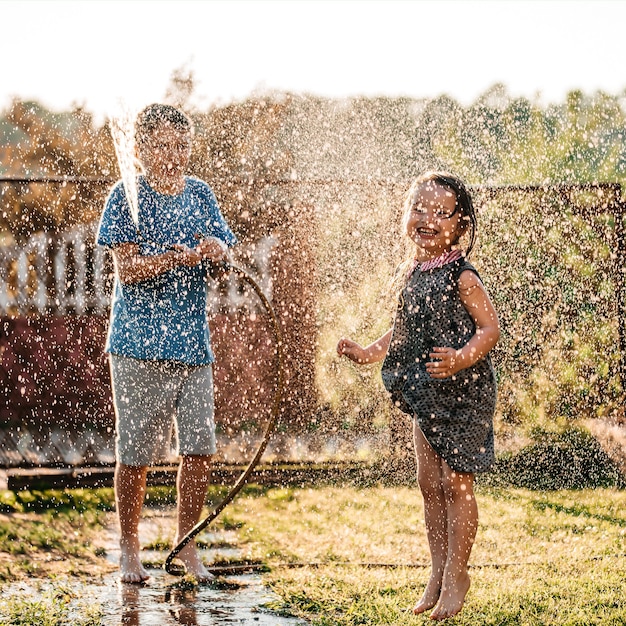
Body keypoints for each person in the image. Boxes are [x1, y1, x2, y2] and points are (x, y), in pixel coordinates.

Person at [337, 172, 499, 621]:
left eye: (440, 213)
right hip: (427, 391)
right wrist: (370, 352)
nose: (426, 219)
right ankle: (437, 570)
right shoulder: (412, 273)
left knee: (456, 483)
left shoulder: (462, 275)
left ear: (461, 224)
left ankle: (457, 574)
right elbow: (404, 329)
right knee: (430, 486)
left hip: (463, 392)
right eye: (418, 209)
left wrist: (463, 357)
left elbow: (491, 329)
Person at [97, 103, 237, 584]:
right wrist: (175, 261)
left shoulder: (200, 195)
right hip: (136, 345)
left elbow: (224, 257)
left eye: (182, 145)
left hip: (192, 346)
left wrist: (219, 250)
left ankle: (185, 545)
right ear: (140, 149)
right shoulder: (125, 196)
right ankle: (130, 549)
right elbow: (128, 271)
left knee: (199, 449)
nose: (173, 154)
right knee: (134, 454)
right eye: (162, 145)